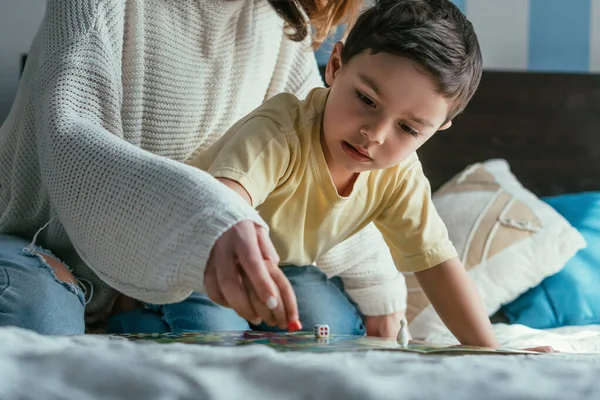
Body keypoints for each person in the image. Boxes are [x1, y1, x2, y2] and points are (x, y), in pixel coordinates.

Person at [0, 0, 404, 336]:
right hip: (38, 242)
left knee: (322, 322)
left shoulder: (281, 21)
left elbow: (313, 170)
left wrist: (379, 290)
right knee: (41, 316)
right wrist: (211, 216)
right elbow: (70, 138)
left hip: (178, 259)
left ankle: (136, 316)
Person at [184, 0, 499, 346]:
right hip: (200, 252)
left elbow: (438, 266)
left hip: (286, 266)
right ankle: (140, 308)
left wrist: (491, 351)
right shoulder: (280, 132)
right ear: (335, 66)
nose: (375, 135)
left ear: (438, 128)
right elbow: (222, 202)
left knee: (334, 332)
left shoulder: (399, 176)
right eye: (366, 99)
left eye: (408, 129)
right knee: (215, 336)